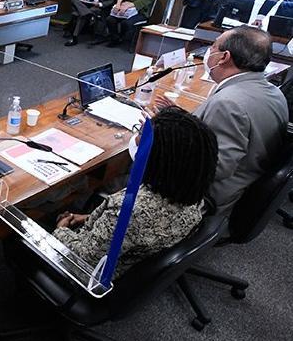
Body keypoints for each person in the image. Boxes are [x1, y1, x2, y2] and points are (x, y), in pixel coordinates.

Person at [53, 107, 218, 279]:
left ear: (156, 160)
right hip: (134, 259)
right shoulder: (192, 191)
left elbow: (84, 258)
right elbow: (131, 232)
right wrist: (88, 217)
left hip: (94, 276)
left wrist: (61, 229)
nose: (137, 140)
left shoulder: (130, 209)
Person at [154, 26, 288, 217]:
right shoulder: (273, 91)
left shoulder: (228, 103)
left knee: (128, 170)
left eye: (213, 47)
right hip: (250, 177)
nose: (209, 52)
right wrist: (184, 119)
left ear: (224, 57)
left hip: (212, 197)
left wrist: (159, 137)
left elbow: (211, 168)